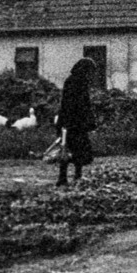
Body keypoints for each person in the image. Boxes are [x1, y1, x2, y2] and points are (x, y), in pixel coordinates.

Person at [53, 57, 99, 188]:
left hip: (70, 121)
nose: (91, 74)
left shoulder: (74, 81)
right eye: (90, 71)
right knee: (69, 149)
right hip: (73, 122)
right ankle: (67, 177)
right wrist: (88, 120)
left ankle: (68, 177)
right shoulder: (77, 82)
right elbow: (79, 104)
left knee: (69, 149)